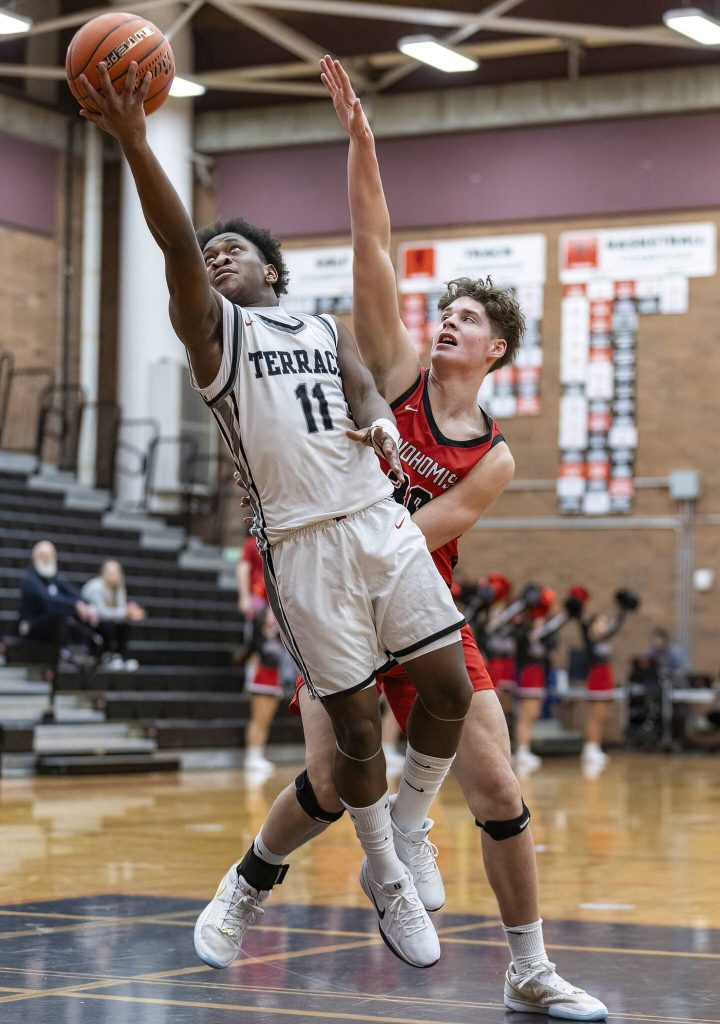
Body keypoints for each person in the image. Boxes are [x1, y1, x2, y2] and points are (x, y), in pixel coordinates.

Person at [190, 56, 608, 1022]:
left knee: (499, 784)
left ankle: (529, 967)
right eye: (445, 314)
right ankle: (247, 885)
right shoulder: (393, 371)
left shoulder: (494, 456)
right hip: (341, 574)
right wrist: (361, 142)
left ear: (495, 349)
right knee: (333, 781)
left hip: (412, 588)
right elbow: (372, 244)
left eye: (464, 319)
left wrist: (369, 539)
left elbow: (424, 531)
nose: (445, 324)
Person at [80, 60, 475, 970]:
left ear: (273, 267)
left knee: (449, 692)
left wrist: (378, 426)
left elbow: (367, 392)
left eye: (236, 250)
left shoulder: (326, 327)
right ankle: (382, 874)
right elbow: (178, 246)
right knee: (357, 732)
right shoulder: (214, 337)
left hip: (375, 516)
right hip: (299, 545)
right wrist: (139, 139)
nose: (218, 256)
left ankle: (410, 831)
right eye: (211, 253)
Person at [237, 535, 283, 774]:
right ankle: (253, 754)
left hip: (274, 610)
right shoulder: (251, 544)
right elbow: (243, 567)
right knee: (261, 692)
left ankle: (256, 754)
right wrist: (244, 597)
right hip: (260, 605)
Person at [17, 541, 101, 660]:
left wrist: (87, 605)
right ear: (34, 557)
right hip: (33, 624)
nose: (47, 559)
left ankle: (89, 653)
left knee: (81, 613)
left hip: (52, 623)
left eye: (50, 555)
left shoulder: (54, 577)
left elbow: (73, 593)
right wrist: (75, 606)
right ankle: (63, 654)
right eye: (43, 555)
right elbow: (47, 600)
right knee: (62, 613)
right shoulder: (30, 580)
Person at [82, 560, 145, 671]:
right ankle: (107, 657)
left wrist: (130, 612)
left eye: (115, 573)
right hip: (91, 621)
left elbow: (121, 608)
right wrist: (124, 612)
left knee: (125, 624)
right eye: (110, 573)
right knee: (108, 625)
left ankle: (120, 656)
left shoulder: (119, 588)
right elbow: (101, 612)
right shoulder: (95, 588)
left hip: (108, 619)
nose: (113, 576)